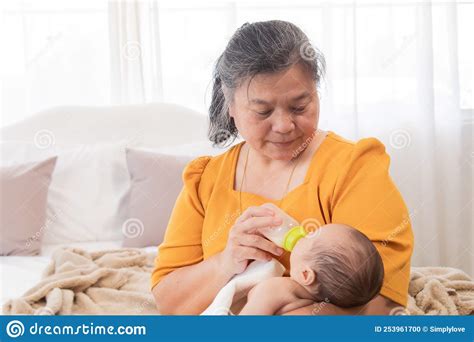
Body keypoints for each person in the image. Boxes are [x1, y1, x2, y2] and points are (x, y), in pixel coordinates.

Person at [151, 20, 414, 315]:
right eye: (263, 111)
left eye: (300, 106)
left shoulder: (353, 168)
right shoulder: (205, 181)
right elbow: (168, 303)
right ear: (230, 105)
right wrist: (225, 262)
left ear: (316, 92)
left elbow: (376, 303)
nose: (284, 126)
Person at [239, 224, 384, 315]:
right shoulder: (322, 304)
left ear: (305, 274)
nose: (303, 232)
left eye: (310, 236)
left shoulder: (275, 289)